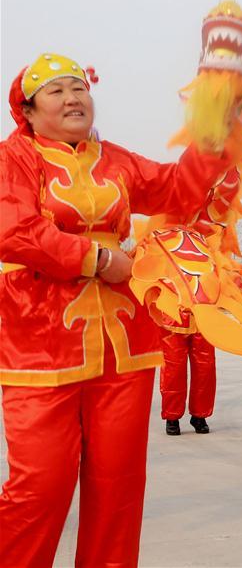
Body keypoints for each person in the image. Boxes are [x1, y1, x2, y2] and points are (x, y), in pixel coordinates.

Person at [0, 53, 229, 566]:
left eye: (78, 88)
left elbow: (179, 189)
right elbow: (13, 231)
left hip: (124, 344)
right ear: (28, 111)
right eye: (55, 91)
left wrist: (213, 135)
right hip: (38, 343)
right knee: (39, 487)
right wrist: (99, 258)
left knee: (118, 489)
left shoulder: (116, 159)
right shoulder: (12, 158)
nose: (72, 97)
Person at [158, 312, 217, 435]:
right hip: (173, 318)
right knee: (173, 371)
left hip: (202, 318)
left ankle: (199, 416)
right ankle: (172, 417)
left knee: (205, 370)